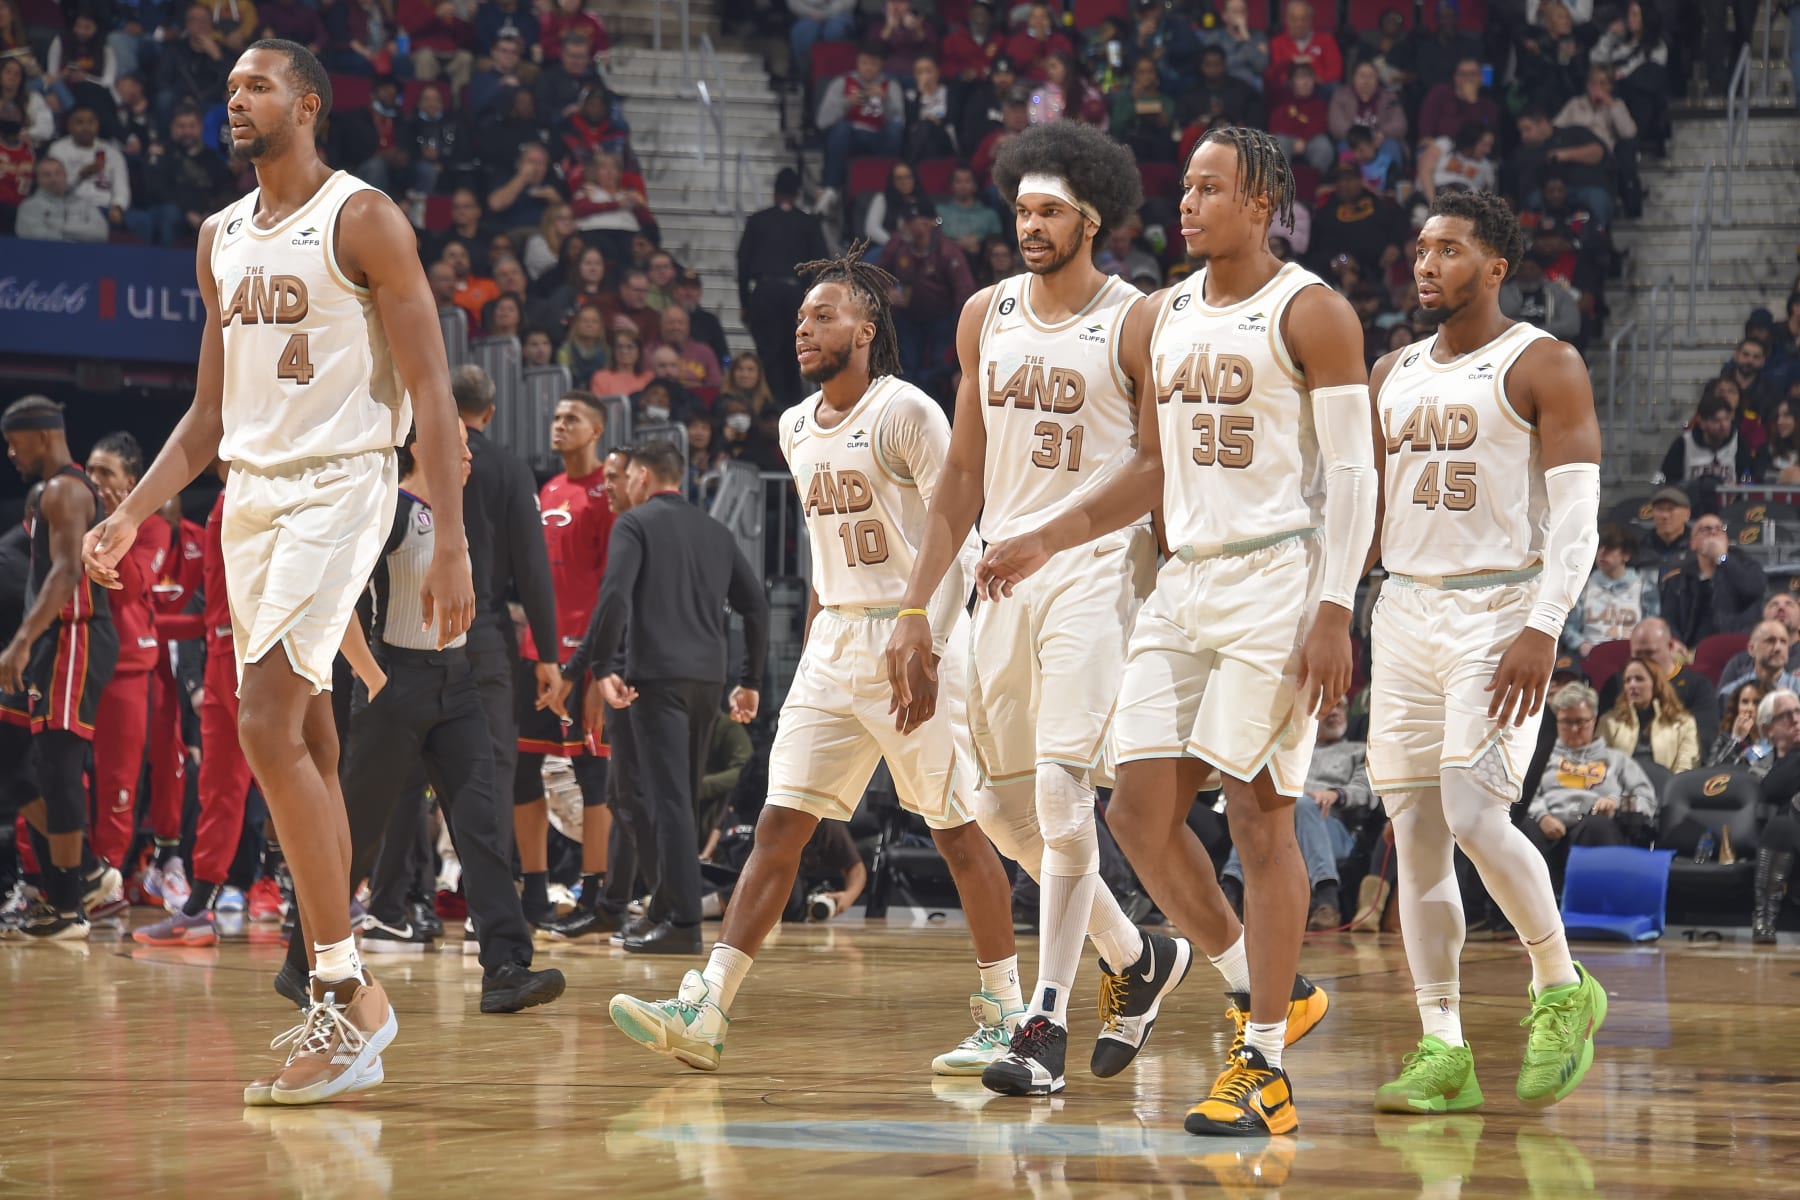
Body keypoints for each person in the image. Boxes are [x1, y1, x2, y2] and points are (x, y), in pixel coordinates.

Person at [81, 40, 475, 1106]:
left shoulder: (364, 218)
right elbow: (208, 421)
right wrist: (129, 511)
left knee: (261, 721)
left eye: (256, 86)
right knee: (299, 733)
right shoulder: (216, 238)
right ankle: (346, 989)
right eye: (229, 87)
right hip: (248, 496)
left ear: (309, 104)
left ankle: (342, 992)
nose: (235, 100)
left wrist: (451, 537)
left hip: (343, 482)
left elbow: (433, 392)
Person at [968, 124, 1366, 1121]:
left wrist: (1334, 604)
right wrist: (1046, 537)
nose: (1187, 204)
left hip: (1277, 583)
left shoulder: (1312, 312)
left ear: (1261, 204)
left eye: (1210, 188)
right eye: (1185, 187)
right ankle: (1263, 989)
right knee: (1135, 814)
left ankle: (1263, 1062)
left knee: (1255, 817)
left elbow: (1357, 474)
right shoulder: (1159, 316)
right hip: (1183, 583)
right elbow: (1149, 468)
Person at [607, 252, 1028, 1075]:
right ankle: (709, 1007)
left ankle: (1005, 1015)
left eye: (825, 316)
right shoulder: (794, 426)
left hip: (918, 635)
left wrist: (930, 641)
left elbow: (961, 533)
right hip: (835, 640)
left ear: (867, 330)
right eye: (801, 318)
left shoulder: (906, 410)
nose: (806, 328)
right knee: (781, 822)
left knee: (956, 830)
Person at [883, 122, 1192, 1100]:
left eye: (1049, 210)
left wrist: (1056, 539)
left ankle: (1045, 1024)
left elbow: (1156, 466)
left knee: (1062, 798)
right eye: (1021, 209)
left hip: (1095, 572)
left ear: (1091, 218)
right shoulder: (985, 313)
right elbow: (963, 472)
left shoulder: (1136, 320)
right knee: (999, 808)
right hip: (999, 574)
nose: (1030, 224)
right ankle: (1136, 957)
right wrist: (913, 612)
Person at [1364, 188, 1610, 1117]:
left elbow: (1579, 517)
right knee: (1418, 836)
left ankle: (1559, 983)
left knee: (1474, 812)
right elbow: (1368, 511)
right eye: (1422, 249)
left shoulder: (1544, 362)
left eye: (1451, 250)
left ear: (1496, 267)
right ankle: (1443, 1047)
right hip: (1405, 612)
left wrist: (1544, 625)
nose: (1429, 264)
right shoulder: (1391, 371)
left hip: (1502, 608)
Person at [556, 439, 769, 952]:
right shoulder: (715, 532)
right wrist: (751, 679)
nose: (624, 484)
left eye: (628, 476)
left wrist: (601, 666)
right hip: (707, 683)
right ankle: (664, 909)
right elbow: (757, 607)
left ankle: (681, 924)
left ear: (645, 477)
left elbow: (614, 596)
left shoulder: (635, 524)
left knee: (665, 800)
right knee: (662, 797)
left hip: (657, 680)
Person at [0, 396, 121, 940]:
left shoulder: (68, 489)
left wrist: (21, 641)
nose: (10, 452)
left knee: (59, 764)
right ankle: (86, 873)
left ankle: (71, 904)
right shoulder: (46, 493)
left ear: (43, 436)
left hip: (75, 637)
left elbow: (68, 570)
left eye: (14, 441)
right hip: (54, 640)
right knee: (24, 764)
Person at [507, 393, 614, 934]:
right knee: (522, 769)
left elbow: (610, 588)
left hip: (584, 661)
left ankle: (594, 892)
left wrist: (597, 665)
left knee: (592, 774)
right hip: (538, 656)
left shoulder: (606, 495)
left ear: (596, 430)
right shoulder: (547, 489)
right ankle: (534, 890)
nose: (559, 425)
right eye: (554, 418)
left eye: (571, 419)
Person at [1220, 699, 1370, 931]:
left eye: (1341, 706)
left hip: (1333, 827)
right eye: (1329, 706)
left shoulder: (1357, 751)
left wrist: (1336, 794)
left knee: (1303, 804)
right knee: (1256, 811)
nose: (1335, 712)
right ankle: (1230, 890)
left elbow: (1365, 791)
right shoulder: (1299, 751)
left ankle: (1328, 900)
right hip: (1288, 823)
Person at [1526, 682, 1659, 881]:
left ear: (1594, 720)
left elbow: (1646, 799)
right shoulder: (1543, 758)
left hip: (1594, 827)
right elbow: (1523, 795)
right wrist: (1542, 816)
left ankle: (1597, 903)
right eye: (1566, 722)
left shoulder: (1617, 760)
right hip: (1547, 827)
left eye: (1580, 721)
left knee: (1597, 826)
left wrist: (1616, 804)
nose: (1573, 729)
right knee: (1523, 828)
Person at [738, 166, 830, 409]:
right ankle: (792, 409)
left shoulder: (758, 221)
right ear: (798, 193)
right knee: (794, 355)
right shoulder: (808, 224)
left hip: (763, 293)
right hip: (796, 296)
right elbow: (822, 265)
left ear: (775, 192)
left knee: (768, 356)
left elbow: (743, 264)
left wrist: (745, 303)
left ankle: (768, 406)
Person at [1660, 511, 1767, 649]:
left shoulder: (1746, 566)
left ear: (1727, 540)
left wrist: (1722, 558)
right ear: (1693, 544)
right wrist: (1675, 642)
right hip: (1691, 651)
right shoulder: (1679, 579)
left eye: (1719, 529)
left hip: (1738, 648)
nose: (1713, 534)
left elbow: (1754, 589)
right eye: (1705, 530)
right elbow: (1669, 620)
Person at [1563, 522, 1658, 656]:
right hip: (1591, 656)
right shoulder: (1582, 587)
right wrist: (1581, 644)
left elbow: (1653, 627)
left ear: (1626, 555)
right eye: (1599, 548)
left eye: (1610, 548)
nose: (1602, 553)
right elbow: (1568, 627)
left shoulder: (1645, 588)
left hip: (1631, 656)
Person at [1599, 654, 1700, 772]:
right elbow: (1600, 764)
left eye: (1639, 679)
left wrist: (1669, 788)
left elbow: (1686, 767)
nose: (1632, 685)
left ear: (1656, 684)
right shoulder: (1609, 722)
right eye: (1627, 680)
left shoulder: (1684, 723)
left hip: (1667, 787)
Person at [1659, 391, 1757, 487]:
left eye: (1726, 419)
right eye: (1716, 420)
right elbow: (1670, 482)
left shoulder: (1738, 442)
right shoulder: (1683, 444)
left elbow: (1748, 480)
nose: (1723, 426)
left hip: (1730, 502)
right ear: (1702, 423)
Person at [15, 155, 108, 241]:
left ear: (65, 175)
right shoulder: (29, 206)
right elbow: (30, 235)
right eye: (47, 175)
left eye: (58, 173)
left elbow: (101, 233)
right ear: (38, 179)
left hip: (82, 255)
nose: (53, 179)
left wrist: (61, 228)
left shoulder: (84, 203)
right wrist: (73, 238)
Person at [1717, 620, 1800, 700]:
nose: (1778, 648)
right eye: (1770, 641)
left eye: (1783, 642)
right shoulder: (1730, 694)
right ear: (1751, 649)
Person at [1708, 679, 1769, 769]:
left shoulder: (1777, 740)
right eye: (1745, 702)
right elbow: (1711, 772)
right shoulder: (1725, 738)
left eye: (1757, 702)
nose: (1749, 708)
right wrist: (1735, 740)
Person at [1634, 485, 1691, 578]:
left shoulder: (1697, 548)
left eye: (1670, 509)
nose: (1665, 516)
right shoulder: (1640, 548)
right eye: (1660, 509)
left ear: (1687, 514)